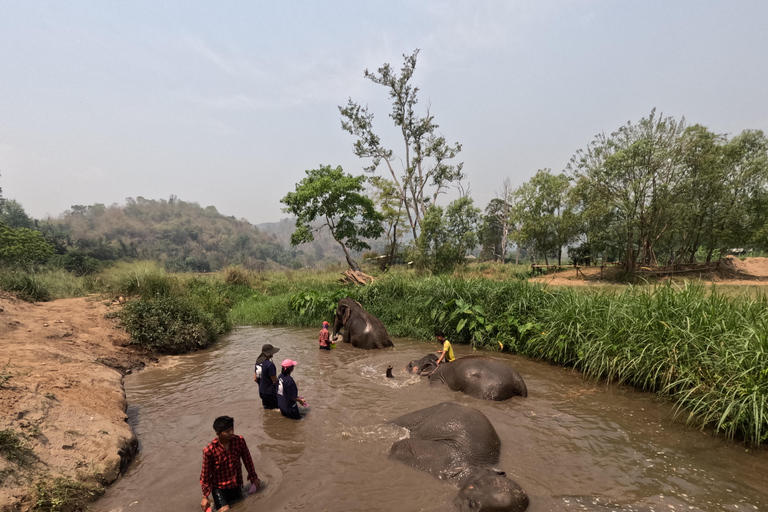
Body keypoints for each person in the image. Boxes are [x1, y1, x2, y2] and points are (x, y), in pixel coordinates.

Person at [200, 415, 260, 512]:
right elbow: (205, 475)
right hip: (219, 488)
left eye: (232, 429)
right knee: (225, 509)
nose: (231, 433)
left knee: (241, 505)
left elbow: (247, 459)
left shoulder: (239, 441)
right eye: (227, 431)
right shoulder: (209, 450)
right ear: (218, 433)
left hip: (236, 484)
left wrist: (253, 477)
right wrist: (205, 496)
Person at [254, 343, 280, 409]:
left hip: (261, 391)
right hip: (270, 392)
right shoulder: (270, 365)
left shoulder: (258, 363)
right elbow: (274, 381)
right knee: (277, 410)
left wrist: (263, 384)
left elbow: (255, 379)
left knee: (267, 409)